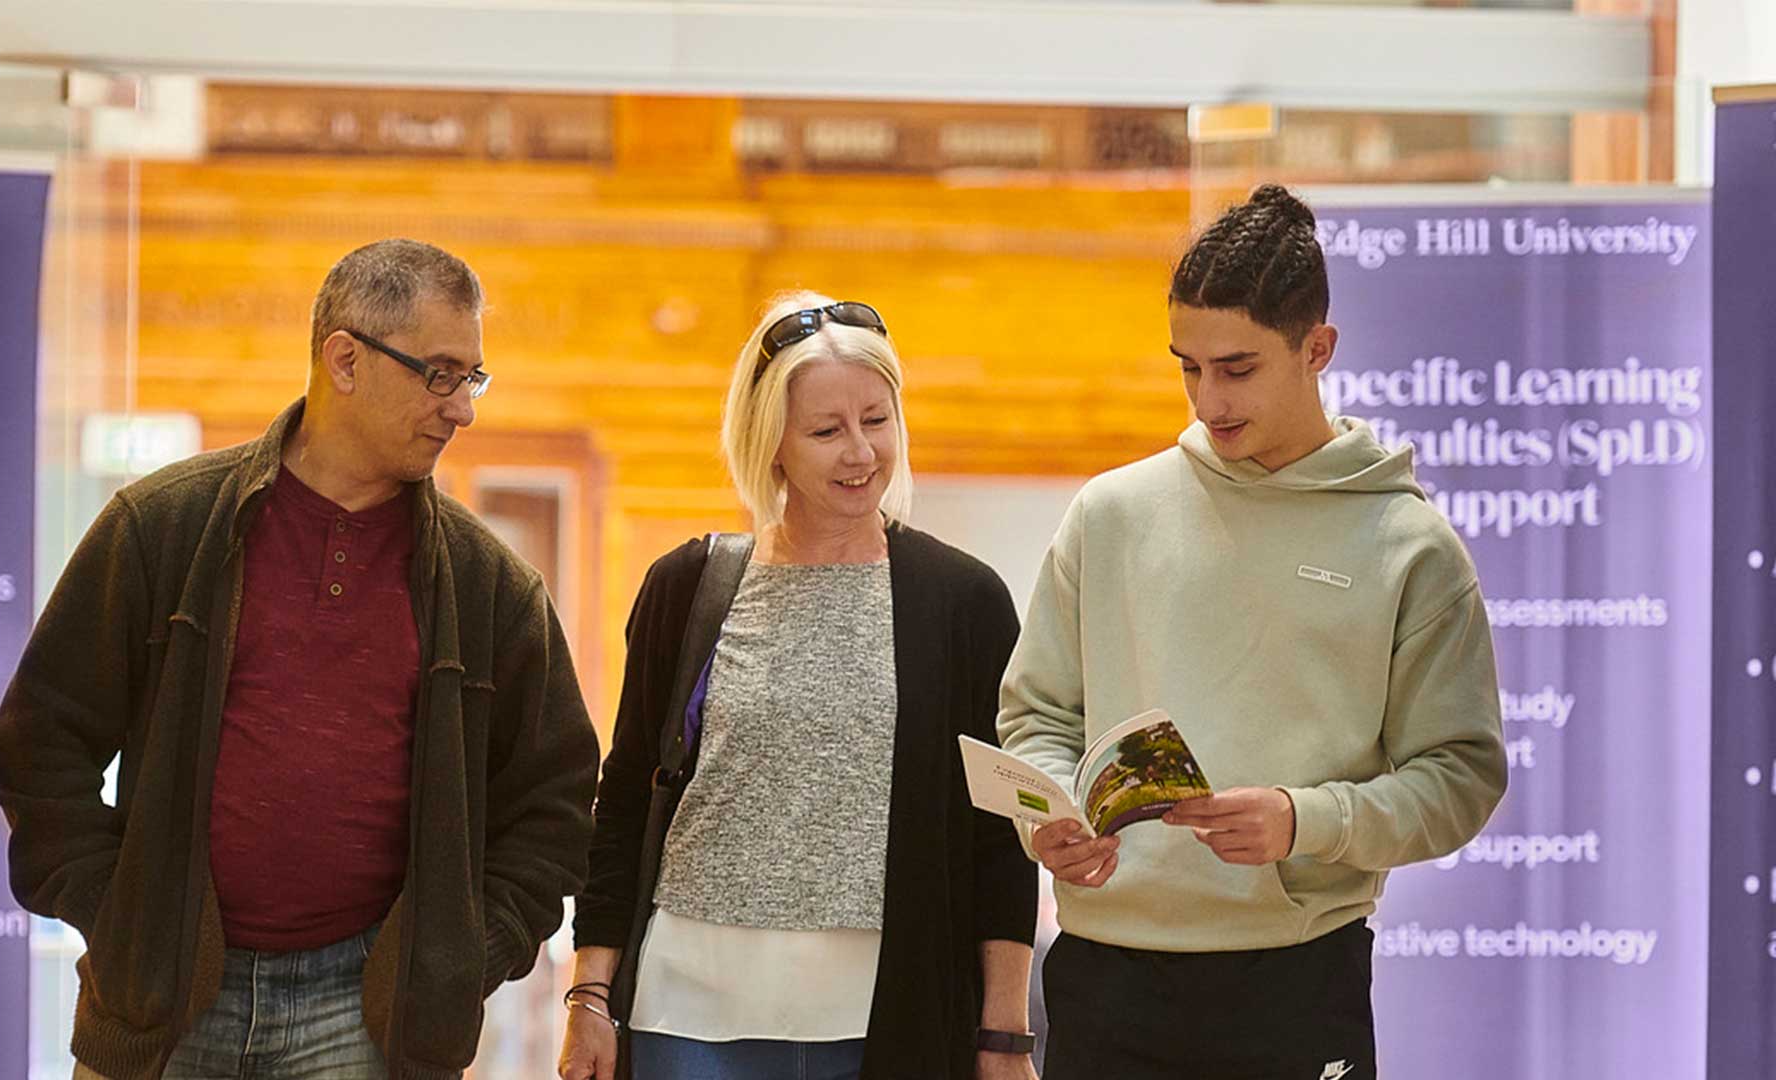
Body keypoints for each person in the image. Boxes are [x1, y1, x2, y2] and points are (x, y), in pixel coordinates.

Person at [0, 238, 600, 1080]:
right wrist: (123, 915)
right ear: (344, 360)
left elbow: (553, 806)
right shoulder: (160, 527)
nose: (463, 409)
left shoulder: (490, 585)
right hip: (161, 1005)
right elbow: (38, 748)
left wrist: (454, 956)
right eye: (440, 374)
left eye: (472, 378)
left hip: (371, 1019)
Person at [1000, 185, 1508, 1080]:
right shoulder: (1110, 514)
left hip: (1296, 979)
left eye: (1237, 368)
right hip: (1104, 977)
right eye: (1187, 366)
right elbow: (1037, 713)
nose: (1207, 399)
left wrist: (1302, 820)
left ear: (1319, 349)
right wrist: (1047, 817)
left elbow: (1460, 778)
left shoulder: (1408, 547)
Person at [558, 293, 1040, 1080]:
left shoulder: (963, 602)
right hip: (688, 1014)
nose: (860, 453)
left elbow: (1000, 839)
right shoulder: (687, 587)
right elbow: (624, 807)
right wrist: (589, 996)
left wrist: (1005, 1036)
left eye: (876, 421)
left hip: (889, 1019)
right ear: (771, 442)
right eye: (826, 431)